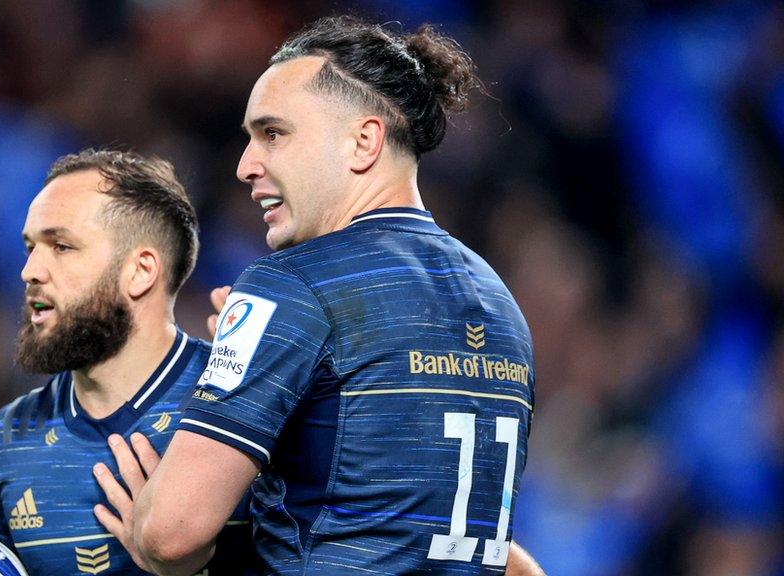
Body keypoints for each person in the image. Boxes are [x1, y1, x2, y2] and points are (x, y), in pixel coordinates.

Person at [94, 16, 541, 575]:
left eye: (273, 133)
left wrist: (148, 528)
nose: (245, 165)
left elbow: (173, 533)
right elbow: (494, 556)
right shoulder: (500, 306)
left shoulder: (292, 284)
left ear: (363, 140)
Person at [0, 149, 256, 575]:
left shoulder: (240, 403)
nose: (30, 271)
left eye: (62, 246)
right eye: (31, 248)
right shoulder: (9, 439)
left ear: (141, 271)